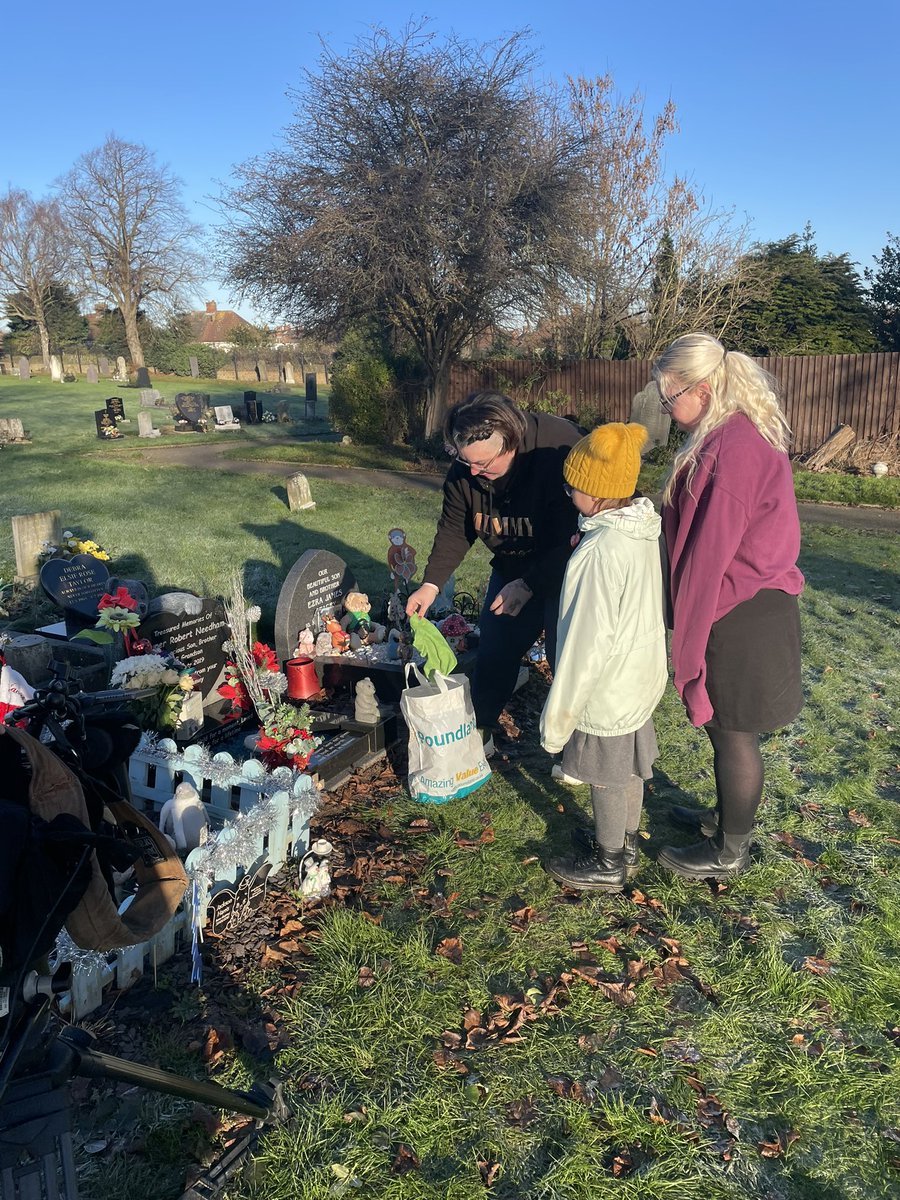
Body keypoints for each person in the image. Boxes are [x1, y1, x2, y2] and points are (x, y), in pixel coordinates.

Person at [653, 332, 804, 880]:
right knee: (727, 732)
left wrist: (685, 648)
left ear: (705, 386)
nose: (668, 411)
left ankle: (729, 851)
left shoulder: (731, 448)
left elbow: (708, 557)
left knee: (733, 732)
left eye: (671, 399)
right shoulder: (732, 436)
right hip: (744, 606)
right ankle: (725, 820)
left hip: (737, 614)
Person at [406, 391, 581, 742]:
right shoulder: (466, 471)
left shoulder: (557, 450)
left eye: (484, 465)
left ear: (512, 442)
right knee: (496, 645)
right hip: (511, 565)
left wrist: (530, 584)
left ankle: (577, 745)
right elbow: (456, 528)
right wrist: (431, 584)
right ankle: (480, 730)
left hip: (569, 568)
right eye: (466, 461)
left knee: (565, 656)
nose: (473, 472)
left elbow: (573, 536)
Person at [539, 423, 667, 891]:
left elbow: (583, 644)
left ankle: (609, 861)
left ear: (594, 493)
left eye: (574, 484)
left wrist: (559, 720)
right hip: (639, 674)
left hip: (608, 684)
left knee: (606, 774)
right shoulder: (640, 531)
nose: (568, 489)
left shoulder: (597, 553)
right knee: (628, 763)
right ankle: (625, 841)